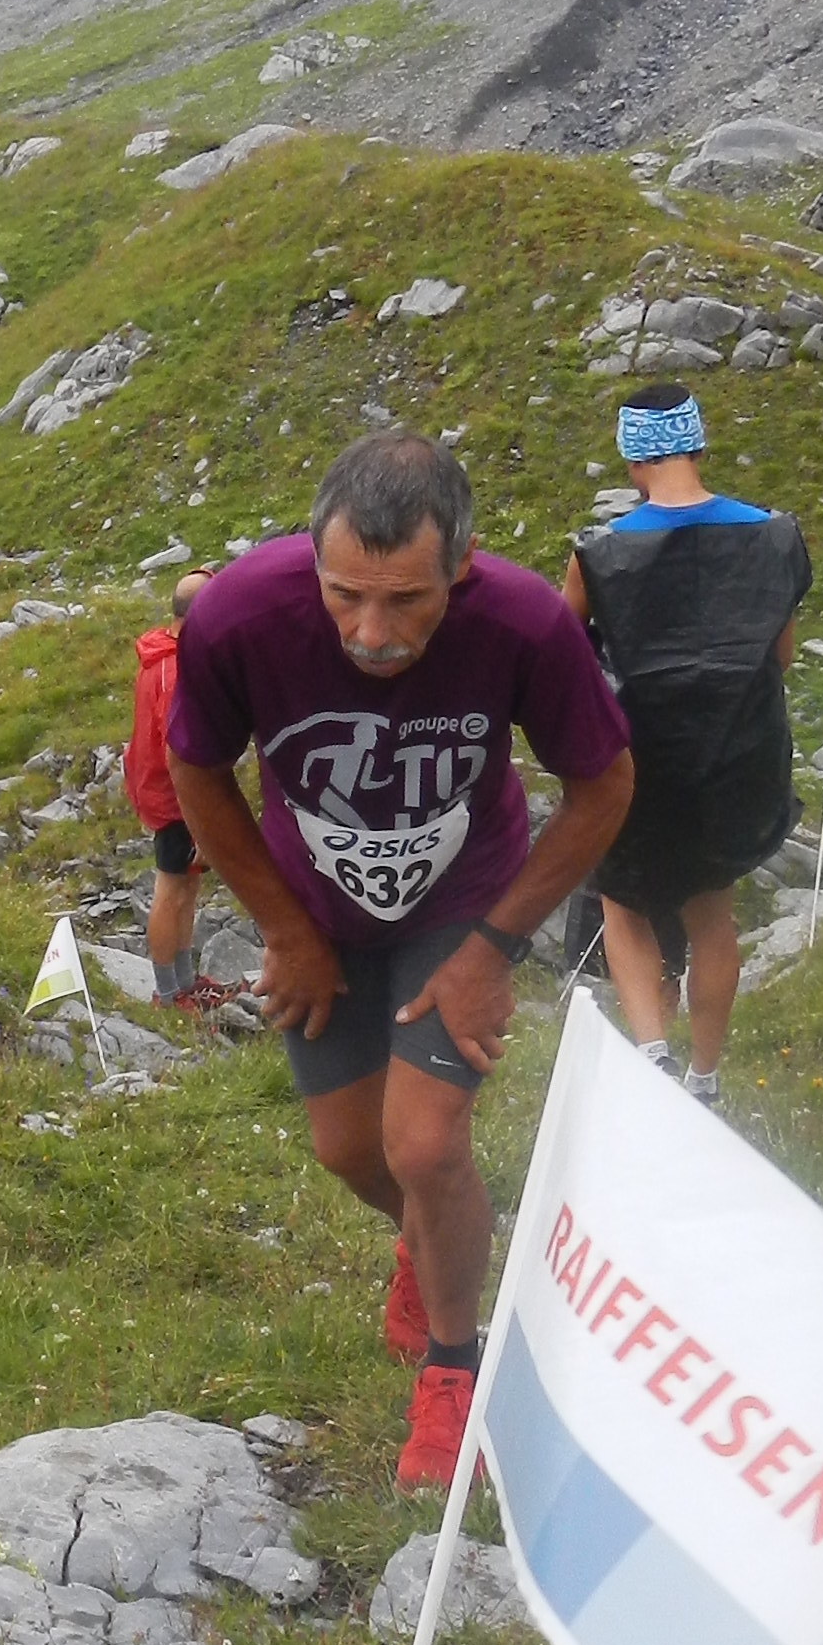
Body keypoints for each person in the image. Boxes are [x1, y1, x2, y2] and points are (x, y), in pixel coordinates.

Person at [166, 431, 634, 1490]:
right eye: (345, 597)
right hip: (316, 916)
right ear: (313, 561)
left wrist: (493, 949)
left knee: (423, 1146)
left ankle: (457, 1368)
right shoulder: (238, 615)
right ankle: (429, 1248)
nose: (372, 634)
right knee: (348, 1152)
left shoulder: (525, 622)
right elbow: (195, 769)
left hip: (461, 906)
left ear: (461, 566)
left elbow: (605, 784)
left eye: (407, 602)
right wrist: (285, 931)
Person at [560, 379, 812, 1111]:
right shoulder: (774, 536)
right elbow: (782, 656)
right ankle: (706, 1079)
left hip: (638, 758)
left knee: (623, 905)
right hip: (737, 759)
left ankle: (655, 1062)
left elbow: (563, 653)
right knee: (712, 916)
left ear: (632, 458)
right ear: (698, 443)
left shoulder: (599, 552)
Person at [126, 567, 215, 1002]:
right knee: (171, 888)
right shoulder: (173, 669)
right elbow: (176, 753)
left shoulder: (173, 654)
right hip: (173, 798)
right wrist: (201, 825)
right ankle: (167, 993)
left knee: (187, 886)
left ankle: (185, 983)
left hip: (178, 796)